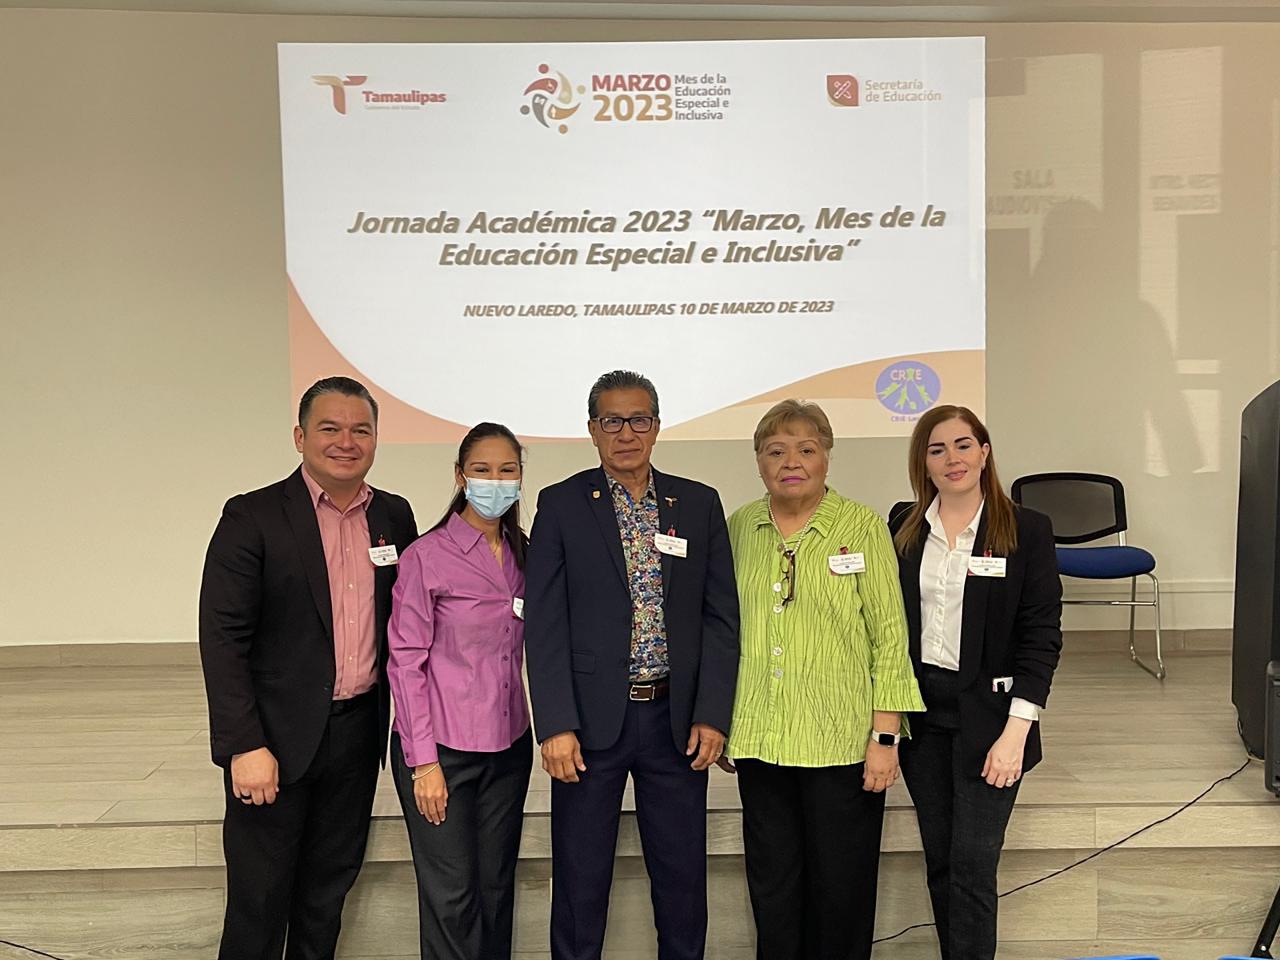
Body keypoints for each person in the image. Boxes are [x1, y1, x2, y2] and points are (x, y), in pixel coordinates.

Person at [198, 376, 418, 960]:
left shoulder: (393, 516)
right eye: (329, 428)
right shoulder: (252, 516)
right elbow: (223, 640)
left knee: (326, 897)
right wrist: (244, 745)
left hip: (356, 736)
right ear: (300, 437)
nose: (346, 442)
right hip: (274, 743)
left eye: (360, 430)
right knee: (259, 903)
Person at [524, 369, 740, 960]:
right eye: (612, 421)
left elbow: (721, 619)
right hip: (589, 725)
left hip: (676, 721)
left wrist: (712, 713)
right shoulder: (561, 504)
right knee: (579, 879)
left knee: (682, 880)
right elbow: (544, 622)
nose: (626, 433)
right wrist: (556, 724)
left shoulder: (697, 503)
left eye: (638, 419)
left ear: (657, 426)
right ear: (592, 429)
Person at [719, 399, 925, 960]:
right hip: (762, 739)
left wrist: (885, 737)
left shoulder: (861, 526)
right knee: (773, 888)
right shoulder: (739, 528)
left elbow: (890, 636)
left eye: (806, 449)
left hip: (842, 743)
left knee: (841, 891)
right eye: (775, 451)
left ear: (827, 457)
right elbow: (722, 633)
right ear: (758, 461)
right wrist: (722, 720)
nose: (791, 462)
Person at [889, 404, 1063, 960]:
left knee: (972, 866)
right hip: (922, 715)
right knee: (941, 863)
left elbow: (1041, 638)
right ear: (923, 462)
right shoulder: (903, 524)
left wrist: (1017, 732)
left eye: (963, 445)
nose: (952, 459)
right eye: (937, 449)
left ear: (984, 452)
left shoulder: (1027, 529)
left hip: (993, 721)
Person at [386, 422, 534, 960]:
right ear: (459, 476)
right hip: (442, 752)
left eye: (507, 470)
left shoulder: (525, 553)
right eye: (482, 470)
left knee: (495, 890)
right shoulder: (427, 555)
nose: (496, 481)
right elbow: (405, 661)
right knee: (452, 898)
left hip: (509, 745)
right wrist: (423, 763)